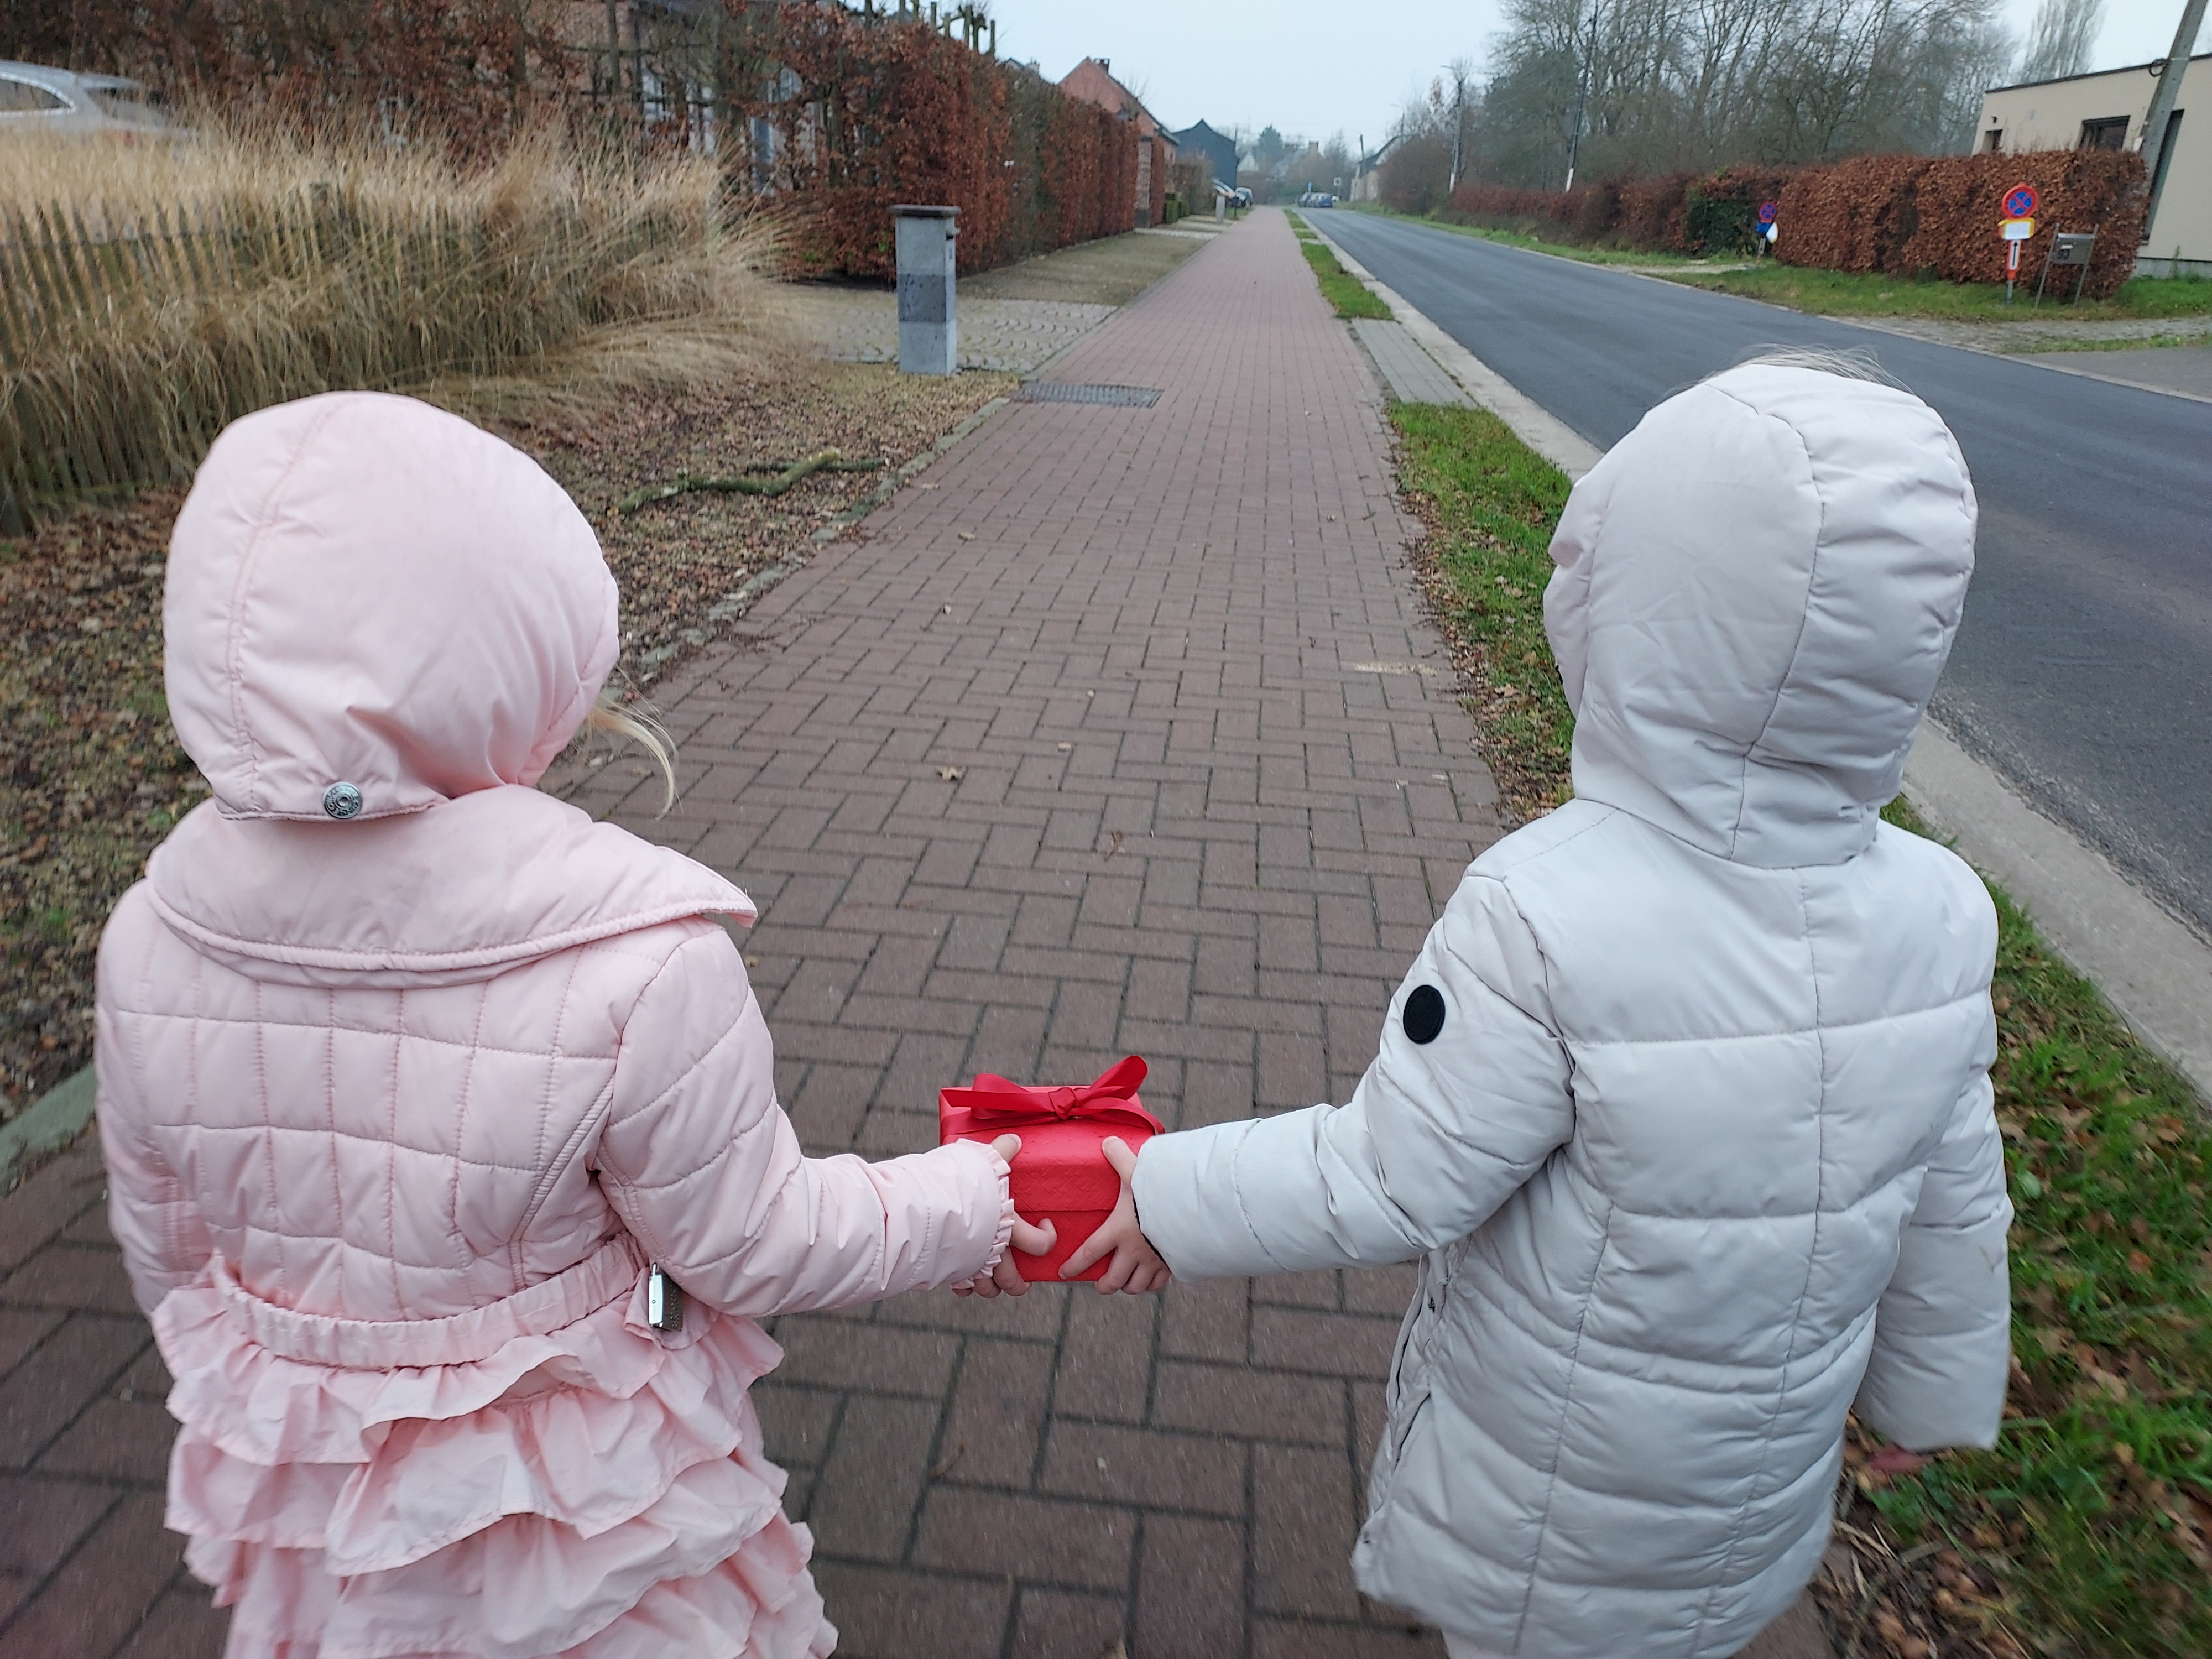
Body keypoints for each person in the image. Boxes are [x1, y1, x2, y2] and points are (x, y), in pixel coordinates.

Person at [1069, 353, 2013, 1658]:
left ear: (1632, 612)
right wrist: (1930, 1396)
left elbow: (1395, 1176)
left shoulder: (1546, 912)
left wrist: (1169, 1194)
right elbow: (1953, 1194)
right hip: (1750, 1514)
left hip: (1556, 1523)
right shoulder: (1945, 913)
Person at [95, 392, 1050, 1659]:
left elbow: (170, 1259)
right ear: (521, 656)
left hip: (327, 1498)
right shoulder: (638, 966)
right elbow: (753, 1244)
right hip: (584, 1515)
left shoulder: (148, 942)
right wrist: (971, 1203)